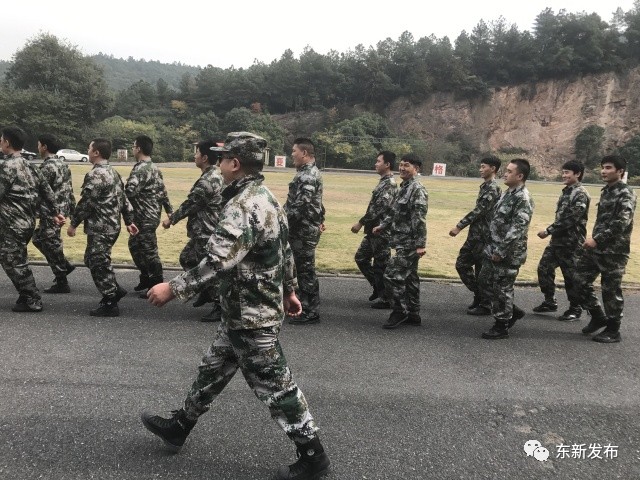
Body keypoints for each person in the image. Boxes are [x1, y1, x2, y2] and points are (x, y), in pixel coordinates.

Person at [142, 132, 330, 480]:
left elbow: (216, 261)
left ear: (235, 164)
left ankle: (312, 454)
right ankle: (180, 425)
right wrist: (290, 290)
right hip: (244, 311)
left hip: (252, 317)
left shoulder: (243, 206)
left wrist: (173, 288)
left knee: (276, 385)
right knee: (212, 368)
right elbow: (284, 249)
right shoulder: (267, 198)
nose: (218, 163)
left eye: (222, 158)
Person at [67, 138, 139, 317]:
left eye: (89, 148)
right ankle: (114, 288)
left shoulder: (96, 175)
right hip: (111, 226)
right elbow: (123, 199)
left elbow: (87, 203)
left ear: (96, 152)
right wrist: (129, 221)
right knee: (91, 259)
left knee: (98, 261)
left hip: (102, 227)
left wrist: (73, 223)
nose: (88, 150)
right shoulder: (113, 173)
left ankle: (110, 301)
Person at [0, 126, 64, 312]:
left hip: (12, 224)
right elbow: (47, 191)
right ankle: (27, 295)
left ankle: (31, 298)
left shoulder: (7, 167)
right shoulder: (30, 165)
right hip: (27, 222)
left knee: (12, 260)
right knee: (16, 258)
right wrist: (56, 211)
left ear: (7, 143)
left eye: (1, 139)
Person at [574, 155, 637, 343]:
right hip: (596, 249)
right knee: (578, 280)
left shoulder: (626, 193)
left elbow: (621, 222)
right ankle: (598, 315)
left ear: (620, 171)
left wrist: (597, 239)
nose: (603, 171)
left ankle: (613, 329)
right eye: (602, 167)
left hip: (614, 252)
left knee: (610, 290)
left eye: (608, 167)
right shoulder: (607, 191)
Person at [162, 139, 225, 322]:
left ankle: (219, 305)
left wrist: (171, 219)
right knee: (187, 258)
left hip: (206, 231)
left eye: (197, 153)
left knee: (207, 267)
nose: (194, 156)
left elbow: (191, 204)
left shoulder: (208, 180)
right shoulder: (215, 175)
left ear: (205, 157)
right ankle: (205, 291)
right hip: (204, 230)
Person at [478, 159, 534, 340]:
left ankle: (502, 325)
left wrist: (500, 251)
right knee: (484, 281)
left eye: (510, 172)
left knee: (503, 288)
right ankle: (511, 311)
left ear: (520, 176)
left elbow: (517, 229)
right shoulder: (507, 193)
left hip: (507, 253)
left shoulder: (523, 198)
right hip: (493, 248)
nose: (505, 173)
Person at [372, 153, 428, 329]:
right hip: (400, 240)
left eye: (407, 166)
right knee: (410, 277)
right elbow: (395, 211)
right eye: (401, 165)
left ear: (416, 169)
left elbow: (419, 219)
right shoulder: (404, 187)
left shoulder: (417, 189)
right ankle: (413, 313)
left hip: (409, 242)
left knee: (391, 275)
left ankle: (399, 311)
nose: (402, 168)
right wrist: (383, 225)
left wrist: (420, 244)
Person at [533, 160, 590, 321]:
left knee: (570, 276)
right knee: (544, 268)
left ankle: (575, 308)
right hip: (557, 242)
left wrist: (548, 230)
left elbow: (571, 218)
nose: (563, 175)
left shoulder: (580, 193)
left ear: (577, 174)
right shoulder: (566, 192)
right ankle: (550, 301)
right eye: (563, 172)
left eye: (567, 173)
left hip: (572, 243)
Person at [449, 156, 502, 315]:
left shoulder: (492, 188)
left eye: (483, 166)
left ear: (493, 169)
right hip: (477, 234)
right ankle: (482, 297)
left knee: (466, 265)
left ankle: (486, 301)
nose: (480, 169)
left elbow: (480, 211)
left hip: (482, 236)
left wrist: (459, 226)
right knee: (472, 267)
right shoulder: (485, 186)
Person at [125, 135, 173, 298]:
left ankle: (156, 283)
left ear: (138, 148)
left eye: (133, 146)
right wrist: (169, 210)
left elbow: (129, 191)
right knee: (135, 246)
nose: (132, 149)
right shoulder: (154, 167)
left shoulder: (140, 169)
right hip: (150, 215)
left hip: (144, 216)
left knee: (148, 250)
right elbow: (163, 191)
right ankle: (146, 277)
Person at [284, 137, 325, 325]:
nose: (292, 154)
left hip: (303, 231)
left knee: (305, 270)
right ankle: (302, 305)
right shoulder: (306, 173)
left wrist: (281, 221)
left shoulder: (307, 175)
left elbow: (301, 205)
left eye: (294, 151)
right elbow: (316, 203)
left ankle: (310, 311)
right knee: (300, 269)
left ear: (304, 153)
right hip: (303, 229)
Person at [32, 133, 77, 294]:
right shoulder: (62, 164)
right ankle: (63, 266)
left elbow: (39, 192)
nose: (38, 147)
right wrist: (72, 210)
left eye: (39, 144)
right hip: (61, 210)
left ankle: (61, 279)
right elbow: (69, 189)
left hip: (51, 212)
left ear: (44, 147)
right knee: (39, 238)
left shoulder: (47, 167)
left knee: (50, 242)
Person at [352, 151, 397, 307]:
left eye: (378, 161)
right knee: (361, 258)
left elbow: (379, 208)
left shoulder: (389, 184)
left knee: (381, 265)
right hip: (373, 231)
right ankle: (379, 288)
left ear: (387, 164)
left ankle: (387, 298)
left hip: (381, 231)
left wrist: (360, 223)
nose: (376, 164)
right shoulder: (383, 182)